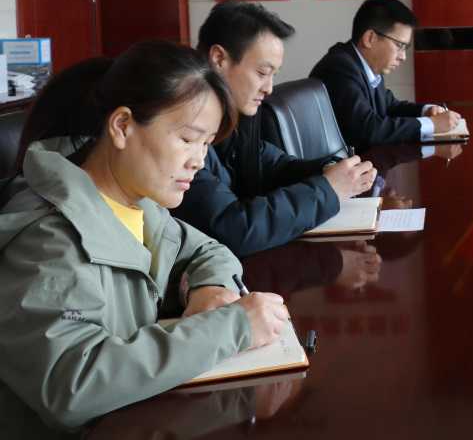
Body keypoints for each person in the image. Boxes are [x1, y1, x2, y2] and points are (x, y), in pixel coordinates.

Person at [0, 41, 291, 435]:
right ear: (122, 127)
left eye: (206, 144)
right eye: (187, 139)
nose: (199, 161)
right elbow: (72, 383)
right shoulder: (48, 242)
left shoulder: (140, 206)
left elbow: (208, 250)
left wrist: (208, 288)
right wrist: (233, 327)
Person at [175, 0, 378, 256]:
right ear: (219, 59)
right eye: (262, 73)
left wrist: (328, 171)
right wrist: (327, 191)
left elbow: (271, 165)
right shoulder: (184, 126)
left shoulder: (236, 114)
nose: (269, 88)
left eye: (274, 75)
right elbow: (233, 228)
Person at [309, 0, 463, 150]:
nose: (403, 57)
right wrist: (432, 125)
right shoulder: (339, 68)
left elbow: (390, 107)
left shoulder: (365, 66)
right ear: (370, 38)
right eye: (399, 45)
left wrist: (426, 111)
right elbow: (368, 129)